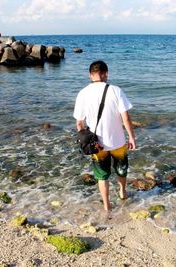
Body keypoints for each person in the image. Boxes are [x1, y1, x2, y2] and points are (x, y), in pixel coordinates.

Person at [73, 60, 136, 211]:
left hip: (96, 144)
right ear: (106, 73)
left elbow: (79, 124)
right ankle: (122, 192)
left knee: (102, 175)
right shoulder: (116, 90)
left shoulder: (83, 93)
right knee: (121, 169)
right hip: (118, 142)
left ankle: (107, 205)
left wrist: (85, 142)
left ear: (90, 75)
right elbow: (125, 118)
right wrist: (132, 137)